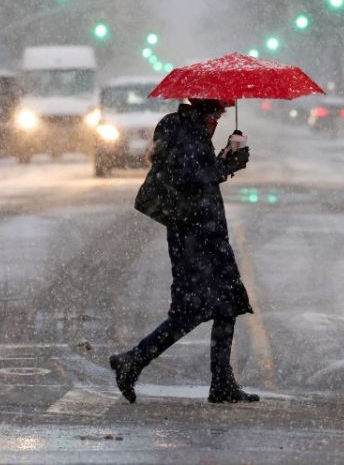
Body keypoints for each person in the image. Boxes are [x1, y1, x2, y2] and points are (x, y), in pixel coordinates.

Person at [110, 98, 258, 404]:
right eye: (217, 112)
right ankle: (133, 360)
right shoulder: (186, 131)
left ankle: (221, 382)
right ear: (206, 108)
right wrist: (226, 165)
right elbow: (190, 179)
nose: (219, 118)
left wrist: (222, 161)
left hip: (204, 231)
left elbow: (195, 172)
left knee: (226, 303)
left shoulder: (184, 128)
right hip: (194, 233)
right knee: (192, 309)